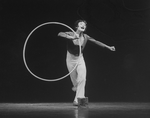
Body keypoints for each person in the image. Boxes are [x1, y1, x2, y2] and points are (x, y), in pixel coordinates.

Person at [58, 20, 115, 106]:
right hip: (70, 59)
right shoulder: (70, 33)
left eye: (85, 25)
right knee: (75, 81)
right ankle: (77, 89)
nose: (83, 25)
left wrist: (108, 47)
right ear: (77, 26)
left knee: (82, 78)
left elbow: (96, 41)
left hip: (80, 58)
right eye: (81, 24)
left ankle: (78, 100)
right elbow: (60, 33)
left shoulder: (85, 36)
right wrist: (70, 37)